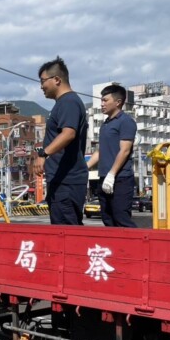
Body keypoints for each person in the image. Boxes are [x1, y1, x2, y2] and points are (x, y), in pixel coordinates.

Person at [33, 56, 89, 225]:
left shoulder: (68, 102)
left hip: (67, 181)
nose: (41, 86)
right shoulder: (63, 103)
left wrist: (43, 154)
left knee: (67, 235)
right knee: (64, 233)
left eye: (43, 81)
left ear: (56, 79)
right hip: (62, 180)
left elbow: (68, 133)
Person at [86, 84, 138, 228]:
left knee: (121, 219)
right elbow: (100, 151)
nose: (102, 104)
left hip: (120, 179)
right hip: (103, 178)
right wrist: (85, 168)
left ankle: (135, 249)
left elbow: (125, 150)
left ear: (118, 102)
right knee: (107, 220)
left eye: (105, 100)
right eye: (101, 100)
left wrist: (112, 174)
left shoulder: (126, 121)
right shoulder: (105, 124)